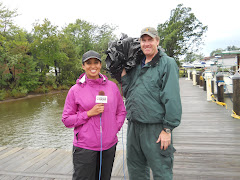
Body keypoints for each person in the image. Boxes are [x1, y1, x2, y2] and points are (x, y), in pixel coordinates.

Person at [121, 27, 182, 180]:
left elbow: (172, 98)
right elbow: (128, 93)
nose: (147, 43)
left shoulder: (167, 63)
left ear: (157, 41)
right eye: (143, 40)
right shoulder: (135, 64)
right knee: (136, 170)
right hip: (134, 126)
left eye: (150, 40)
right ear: (140, 42)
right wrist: (123, 76)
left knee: (161, 171)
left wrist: (167, 129)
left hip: (155, 128)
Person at [62, 50, 127, 180]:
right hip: (85, 147)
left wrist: (115, 128)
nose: (93, 66)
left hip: (109, 146)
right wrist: (88, 113)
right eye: (88, 63)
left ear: (100, 64)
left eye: (96, 62)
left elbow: (121, 111)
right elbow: (66, 120)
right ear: (83, 66)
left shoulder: (112, 87)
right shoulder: (75, 90)